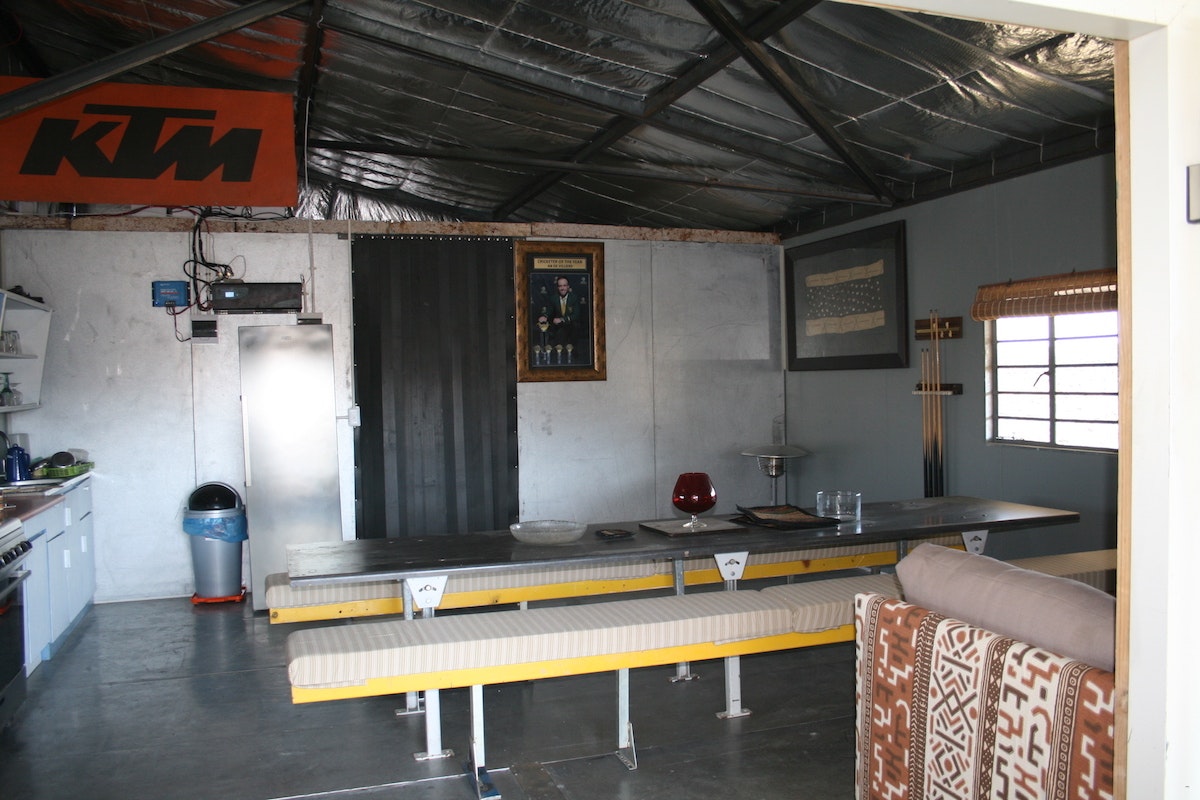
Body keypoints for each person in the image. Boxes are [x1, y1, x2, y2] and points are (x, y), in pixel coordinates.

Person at [535, 276, 582, 360]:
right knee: (557, 337)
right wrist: (545, 316)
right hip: (559, 326)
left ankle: (573, 352)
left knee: (575, 326)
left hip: (571, 324)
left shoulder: (574, 298)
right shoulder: (553, 298)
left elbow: (576, 315)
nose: (562, 288)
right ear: (557, 287)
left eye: (564, 285)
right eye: (560, 286)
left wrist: (562, 319)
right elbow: (549, 310)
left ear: (568, 287)